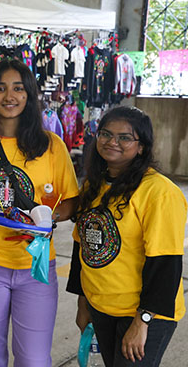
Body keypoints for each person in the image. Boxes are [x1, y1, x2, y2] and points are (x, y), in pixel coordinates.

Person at [0, 59, 79, 367]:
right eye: (0, 89)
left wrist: (48, 218)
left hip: (35, 264)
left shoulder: (51, 145)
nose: (9, 97)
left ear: (30, 94)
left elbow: (71, 202)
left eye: (18, 88)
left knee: (34, 359)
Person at [67, 106, 186, 367]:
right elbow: (83, 246)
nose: (112, 142)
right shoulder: (93, 185)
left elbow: (165, 263)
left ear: (141, 146)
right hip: (102, 306)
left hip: (144, 314)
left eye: (124, 137)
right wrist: (83, 302)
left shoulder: (159, 192)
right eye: (106, 134)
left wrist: (142, 322)